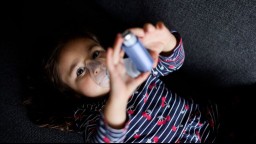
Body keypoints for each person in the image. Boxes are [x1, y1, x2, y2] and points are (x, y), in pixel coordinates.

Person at [43, 21, 219, 143]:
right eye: (80, 71)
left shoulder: (132, 66)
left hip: (207, 126)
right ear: (75, 93)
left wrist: (165, 41)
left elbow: (173, 63)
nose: (95, 66)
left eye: (95, 53)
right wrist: (118, 99)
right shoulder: (91, 117)